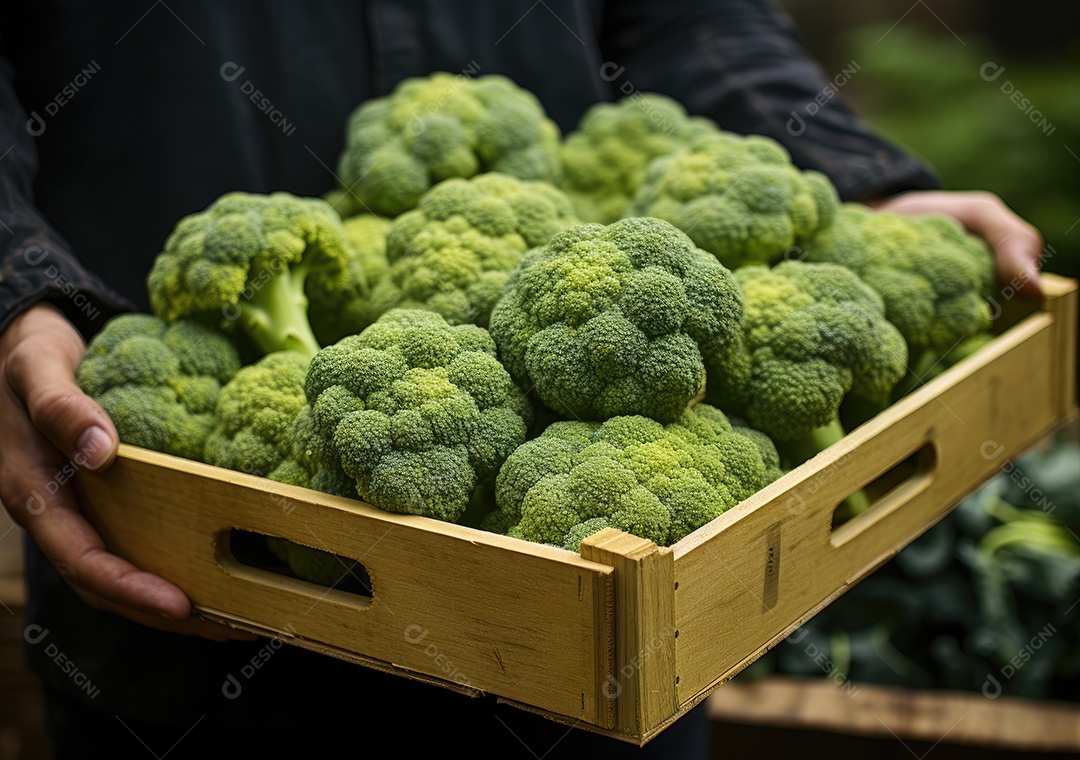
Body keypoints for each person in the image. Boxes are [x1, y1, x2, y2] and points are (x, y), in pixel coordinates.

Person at [0, 1, 1044, 757]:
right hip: (184, 631)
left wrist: (861, 185)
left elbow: (689, 19)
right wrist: (14, 286)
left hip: (611, 676)